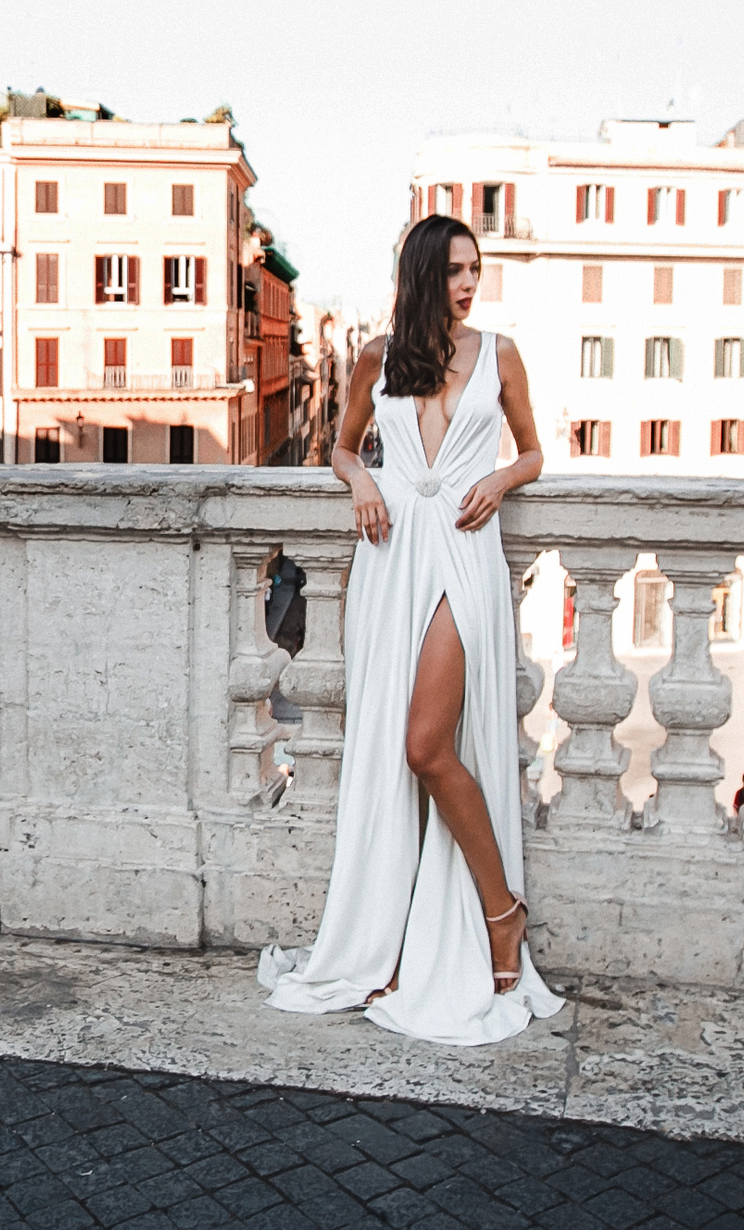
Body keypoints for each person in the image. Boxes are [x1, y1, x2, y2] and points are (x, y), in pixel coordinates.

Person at [259, 214, 565, 1046]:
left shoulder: (499, 354)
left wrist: (502, 475)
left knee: (426, 747)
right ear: (426, 273)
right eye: (459, 269)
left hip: (464, 558)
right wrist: (361, 480)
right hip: (392, 564)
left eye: (478, 268)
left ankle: (501, 915)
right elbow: (340, 446)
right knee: (398, 758)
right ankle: (398, 936)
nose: (472, 283)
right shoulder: (376, 357)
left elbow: (536, 451)